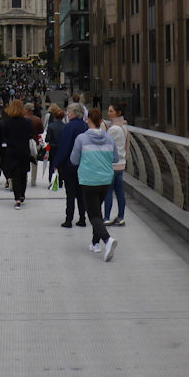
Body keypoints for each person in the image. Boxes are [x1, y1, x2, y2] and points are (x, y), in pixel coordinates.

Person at [70, 107, 119, 260]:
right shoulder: (110, 139)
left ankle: (107, 240)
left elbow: (74, 160)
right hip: (105, 180)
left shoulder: (81, 139)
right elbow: (115, 159)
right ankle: (95, 243)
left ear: (88, 120)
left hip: (88, 180)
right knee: (97, 210)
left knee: (93, 214)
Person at [53, 101, 88, 228]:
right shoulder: (85, 126)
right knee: (81, 193)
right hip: (83, 164)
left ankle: (69, 219)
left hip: (70, 164)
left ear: (73, 114)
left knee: (70, 193)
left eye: (68, 112)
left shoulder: (68, 127)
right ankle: (82, 218)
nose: (67, 114)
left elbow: (65, 146)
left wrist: (57, 162)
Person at [0, 98, 33, 208]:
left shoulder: (7, 123)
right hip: (24, 150)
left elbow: (3, 137)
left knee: (15, 175)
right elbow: (30, 135)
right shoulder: (28, 122)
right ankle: (22, 194)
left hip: (12, 151)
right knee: (23, 174)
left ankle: (17, 198)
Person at [103, 102, 129, 226]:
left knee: (108, 191)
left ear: (118, 113)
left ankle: (107, 217)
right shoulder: (124, 127)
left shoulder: (113, 129)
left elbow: (104, 143)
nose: (109, 113)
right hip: (121, 163)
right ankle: (121, 217)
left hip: (112, 164)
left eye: (111, 111)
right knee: (120, 191)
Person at [25, 101, 44, 187]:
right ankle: (33, 181)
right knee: (34, 163)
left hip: (25, 143)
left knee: (24, 163)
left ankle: (24, 179)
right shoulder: (37, 119)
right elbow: (42, 131)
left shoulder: (22, 118)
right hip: (35, 143)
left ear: (26, 109)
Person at [44, 105, 64, 182]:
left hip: (52, 147)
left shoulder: (51, 126)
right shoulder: (65, 126)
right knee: (61, 164)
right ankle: (60, 181)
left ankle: (51, 180)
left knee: (52, 164)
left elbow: (47, 138)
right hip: (61, 147)